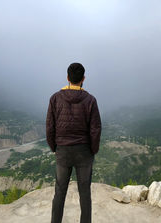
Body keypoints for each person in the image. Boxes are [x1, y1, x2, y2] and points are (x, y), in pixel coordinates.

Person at [46, 62, 102, 223]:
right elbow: (95, 129)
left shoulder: (55, 98)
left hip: (63, 151)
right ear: (83, 78)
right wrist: (93, 150)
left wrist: (54, 147)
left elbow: (50, 127)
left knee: (59, 192)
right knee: (85, 193)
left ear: (67, 78)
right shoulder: (90, 100)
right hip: (84, 152)